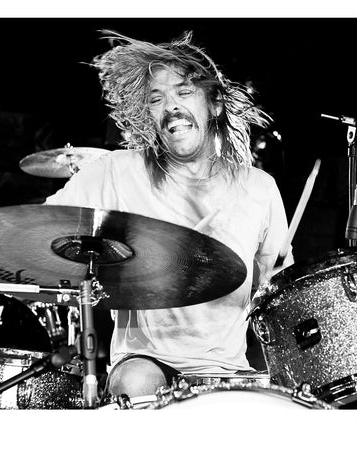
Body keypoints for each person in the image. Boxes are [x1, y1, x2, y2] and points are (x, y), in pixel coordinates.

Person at [44, 31, 293, 400]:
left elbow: (281, 286)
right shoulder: (117, 171)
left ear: (215, 104)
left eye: (184, 92)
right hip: (145, 360)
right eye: (157, 99)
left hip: (229, 369)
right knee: (137, 383)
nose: (170, 107)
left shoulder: (259, 187)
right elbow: (41, 231)